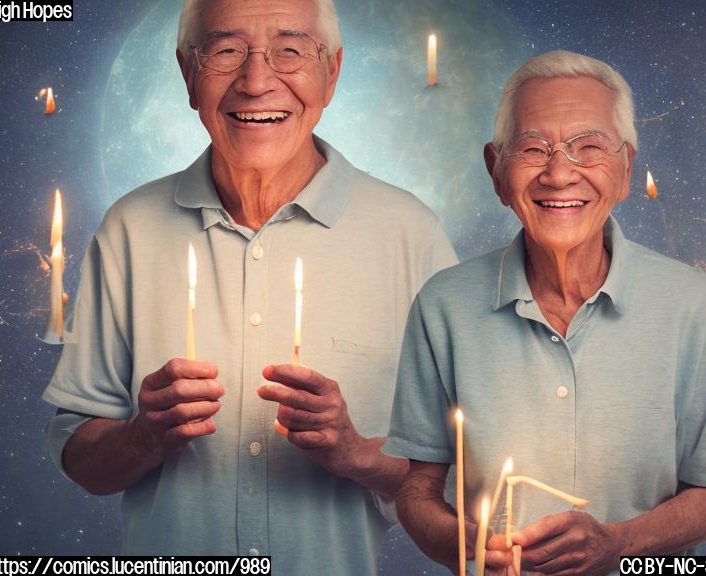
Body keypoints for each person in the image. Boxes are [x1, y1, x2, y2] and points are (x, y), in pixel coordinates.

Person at [41, 0, 456, 573]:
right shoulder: (129, 229)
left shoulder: (411, 235)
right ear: (188, 73)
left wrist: (357, 454)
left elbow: (465, 474)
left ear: (332, 72)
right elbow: (80, 461)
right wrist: (144, 437)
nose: (257, 81)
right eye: (226, 50)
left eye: (290, 50)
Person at [385, 50, 706, 575]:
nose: (560, 173)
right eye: (533, 148)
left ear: (626, 169)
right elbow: (416, 489)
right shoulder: (442, 304)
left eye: (588, 147)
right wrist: (463, 546)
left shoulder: (688, 301)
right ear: (496, 170)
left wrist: (616, 544)